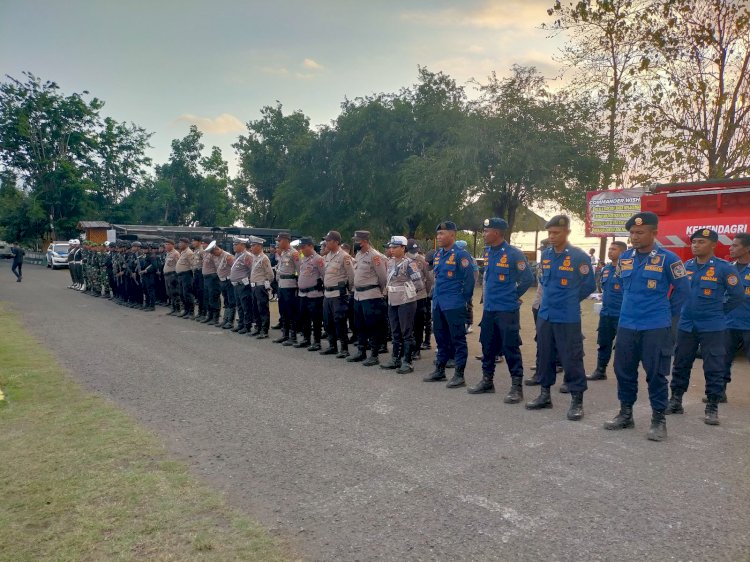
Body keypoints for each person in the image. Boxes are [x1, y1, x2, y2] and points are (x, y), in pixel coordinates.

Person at [603, 211, 690, 441]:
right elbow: (623, 287)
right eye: (632, 232)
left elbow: (683, 291)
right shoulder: (625, 258)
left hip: (655, 326)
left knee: (656, 374)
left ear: (654, 233)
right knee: (624, 370)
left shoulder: (669, 258)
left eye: (640, 232)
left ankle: (658, 420)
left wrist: (666, 314)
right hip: (627, 325)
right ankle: (625, 414)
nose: (634, 236)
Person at [666, 228, 743, 425]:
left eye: (701, 242)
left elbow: (737, 295)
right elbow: (677, 292)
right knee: (681, 362)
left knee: (714, 365)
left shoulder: (724, 268)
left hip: (712, 325)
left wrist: (719, 311)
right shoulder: (686, 266)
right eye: (694, 242)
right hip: (686, 324)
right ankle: (676, 400)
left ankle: (712, 407)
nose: (696, 245)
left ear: (713, 245)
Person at [526, 215, 595, 421]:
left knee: (571, 358)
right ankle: (545, 394)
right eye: (550, 233)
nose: (552, 236)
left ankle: (577, 400)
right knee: (545, 355)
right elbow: (543, 281)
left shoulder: (578, 256)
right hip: (545, 314)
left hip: (567, 316)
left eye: (556, 233)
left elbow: (589, 285)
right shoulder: (546, 255)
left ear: (567, 233)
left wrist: (571, 300)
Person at [467, 218, 533, 402]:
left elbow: (527, 278)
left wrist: (514, 295)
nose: (484, 234)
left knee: (510, 347)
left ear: (497, 232)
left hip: (506, 309)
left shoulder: (514, 254)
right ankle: (487, 381)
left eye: (487, 231)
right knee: (488, 345)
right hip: (490, 308)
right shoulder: (488, 252)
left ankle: (516, 387)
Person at [423, 221, 474, 388]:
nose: (439, 237)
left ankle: (459, 375)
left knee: (458, 339)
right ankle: (440, 370)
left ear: (452, 235)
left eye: (442, 234)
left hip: (454, 304)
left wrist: (462, 300)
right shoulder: (438, 255)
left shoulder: (461, 255)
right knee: (440, 337)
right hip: (438, 303)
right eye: (438, 234)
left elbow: (469, 280)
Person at [381, 235, 425, 373]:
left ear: (403, 248)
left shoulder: (409, 263)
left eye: (395, 247)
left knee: (406, 332)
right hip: (392, 300)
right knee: (395, 332)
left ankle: (407, 361)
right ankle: (395, 359)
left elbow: (419, 283)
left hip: (406, 301)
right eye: (391, 247)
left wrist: (409, 293)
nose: (392, 250)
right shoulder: (390, 263)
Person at [587, 241, 627, 381]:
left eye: (614, 249)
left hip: (623, 315)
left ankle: (624, 375)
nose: (610, 251)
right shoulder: (606, 269)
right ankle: (600, 370)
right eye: (609, 249)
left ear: (622, 252)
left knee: (623, 347)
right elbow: (604, 290)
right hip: (606, 314)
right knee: (603, 343)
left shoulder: (628, 269)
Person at [349, 231, 388, 366]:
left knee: (373, 325)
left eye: (357, 240)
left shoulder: (375, 256)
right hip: (358, 295)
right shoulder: (359, 255)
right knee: (359, 325)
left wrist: (380, 291)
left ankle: (374, 354)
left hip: (371, 295)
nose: (355, 243)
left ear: (364, 241)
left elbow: (383, 277)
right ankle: (361, 352)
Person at [722, 233, 750, 401]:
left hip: (748, 323)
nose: (730, 248)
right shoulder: (728, 269)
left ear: (747, 248)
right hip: (728, 322)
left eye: (735, 246)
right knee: (723, 360)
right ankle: (719, 392)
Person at [321, 231, 355, 358]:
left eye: (328, 241)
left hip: (338, 294)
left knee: (339, 321)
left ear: (336, 242)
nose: (326, 243)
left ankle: (344, 348)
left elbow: (351, 275)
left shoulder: (344, 256)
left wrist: (349, 290)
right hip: (327, 293)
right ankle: (332, 346)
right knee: (328, 321)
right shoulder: (328, 256)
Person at [296, 236, 326, 351]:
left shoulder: (318, 259)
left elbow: (324, 274)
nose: (301, 249)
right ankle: (306, 339)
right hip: (303, 294)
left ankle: (317, 342)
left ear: (311, 246)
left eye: (303, 247)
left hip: (314, 294)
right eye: (301, 247)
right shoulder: (303, 258)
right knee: (304, 317)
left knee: (316, 319)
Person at [406, 239, 433, 360]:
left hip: (419, 296)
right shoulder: (403, 260)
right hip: (406, 297)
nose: (415, 254)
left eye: (416, 251)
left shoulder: (422, 260)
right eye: (412, 251)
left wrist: (425, 293)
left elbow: (429, 278)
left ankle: (417, 349)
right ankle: (407, 348)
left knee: (418, 324)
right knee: (407, 324)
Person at [273, 232, 301, 345]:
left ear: (286, 240)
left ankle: (293, 337)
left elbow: (300, 270)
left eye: (279, 241)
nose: (278, 242)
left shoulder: (294, 253)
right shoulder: (283, 253)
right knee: (283, 310)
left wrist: (298, 285)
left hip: (290, 285)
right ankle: (285, 335)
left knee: (291, 311)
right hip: (281, 285)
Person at [248, 236, 274, 338]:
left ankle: (264, 330)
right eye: (251, 246)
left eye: (253, 246)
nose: (251, 248)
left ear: (259, 246)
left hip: (260, 286)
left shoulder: (264, 258)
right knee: (255, 308)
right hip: (254, 286)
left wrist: (266, 285)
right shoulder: (254, 258)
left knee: (262, 308)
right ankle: (258, 327)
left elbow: (270, 275)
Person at [229, 238, 254, 334]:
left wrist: (247, 282)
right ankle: (241, 324)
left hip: (243, 285)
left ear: (242, 245)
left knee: (245, 306)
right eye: (234, 244)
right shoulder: (238, 255)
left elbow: (252, 270)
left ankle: (247, 326)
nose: (233, 246)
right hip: (236, 285)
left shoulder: (247, 256)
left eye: (236, 244)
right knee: (239, 306)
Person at [211, 240, 236, 329]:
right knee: (226, 301)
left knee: (231, 301)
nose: (213, 255)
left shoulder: (228, 256)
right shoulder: (216, 256)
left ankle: (230, 321)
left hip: (229, 281)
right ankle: (225, 320)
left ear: (217, 249)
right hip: (222, 281)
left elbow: (234, 268)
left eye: (214, 253)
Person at [200, 237, 221, 325]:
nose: (203, 245)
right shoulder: (205, 253)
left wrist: (214, 275)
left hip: (213, 278)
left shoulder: (213, 253)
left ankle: (215, 318)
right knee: (207, 297)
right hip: (206, 278)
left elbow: (218, 265)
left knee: (213, 297)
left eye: (204, 243)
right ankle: (209, 316)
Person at [175, 238, 195, 319]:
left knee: (187, 294)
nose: (179, 244)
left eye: (181, 243)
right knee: (182, 294)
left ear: (186, 244)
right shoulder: (183, 252)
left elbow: (192, 265)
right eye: (179, 242)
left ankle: (191, 312)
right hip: (180, 276)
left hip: (186, 275)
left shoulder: (189, 252)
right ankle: (186, 310)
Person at [190, 236, 206, 321]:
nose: (192, 243)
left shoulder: (202, 251)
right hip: (196, 273)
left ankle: (203, 313)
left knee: (201, 293)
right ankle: (200, 312)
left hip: (201, 273)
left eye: (194, 241)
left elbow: (205, 263)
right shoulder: (196, 250)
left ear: (199, 242)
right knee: (198, 293)